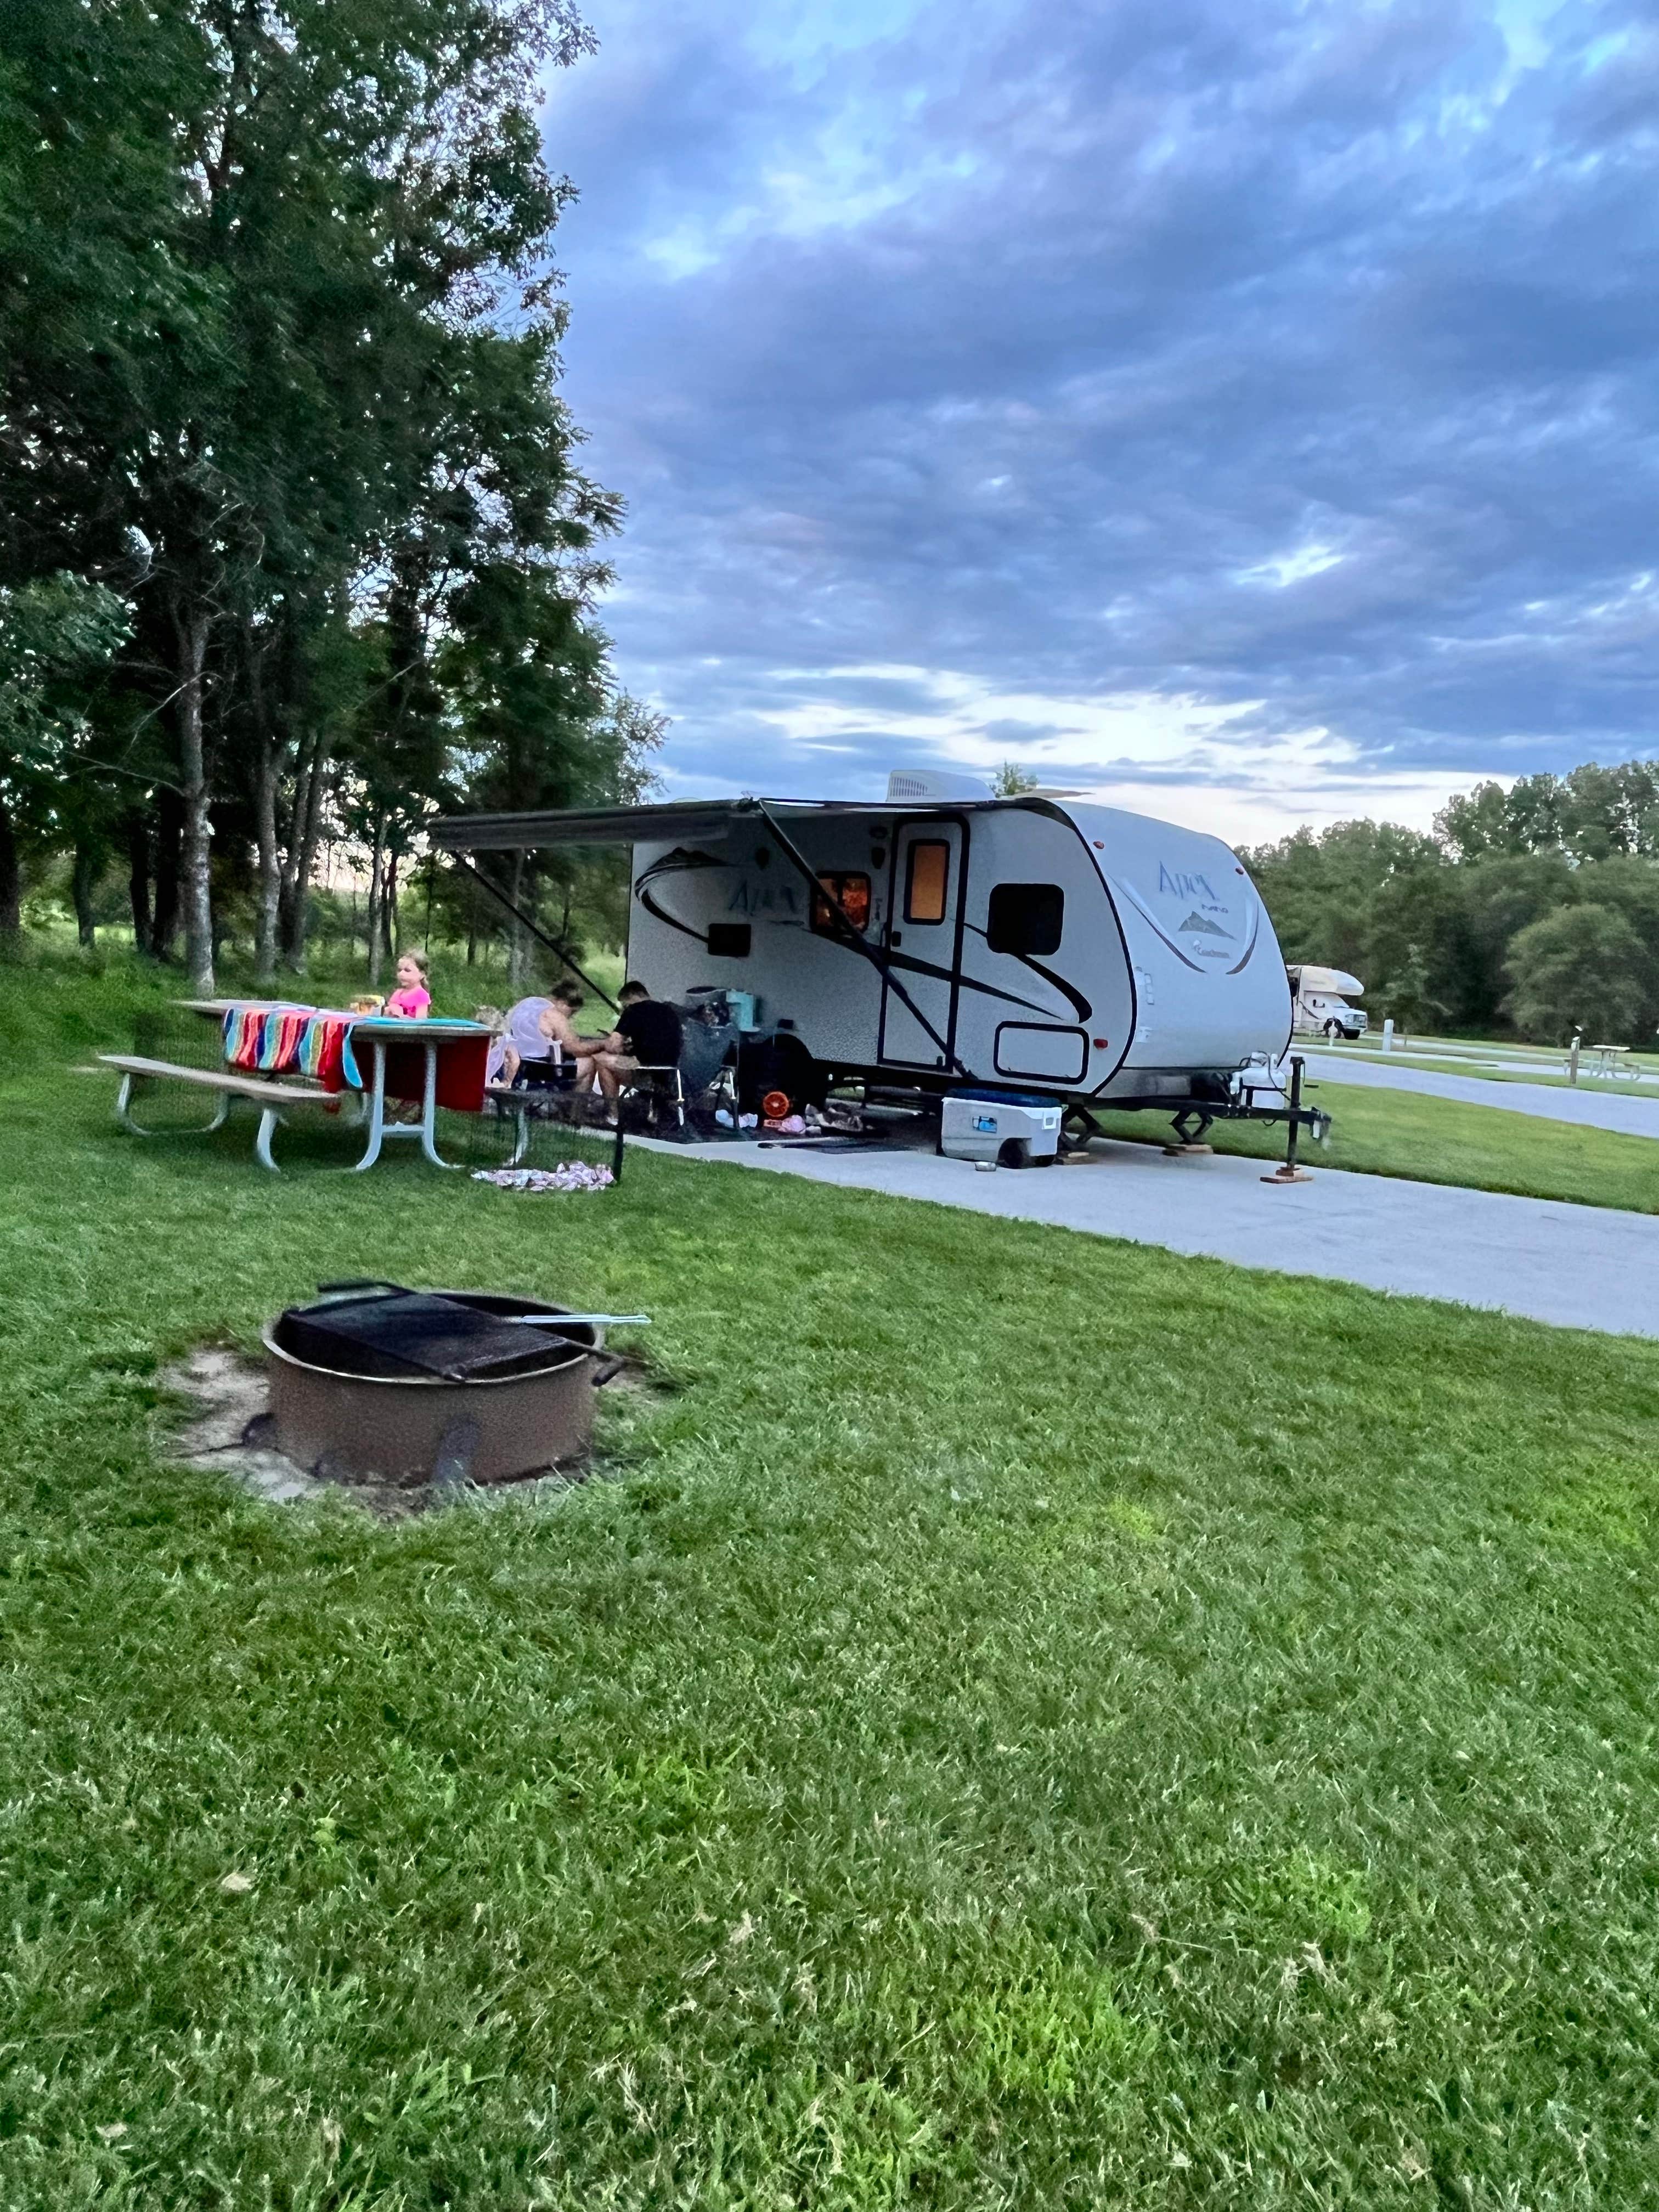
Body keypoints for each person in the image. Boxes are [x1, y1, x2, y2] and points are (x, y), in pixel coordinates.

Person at [592, 980, 685, 1111]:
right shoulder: (670, 1011)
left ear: (632, 996)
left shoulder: (634, 1010)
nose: (623, 1009)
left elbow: (613, 1045)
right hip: (671, 1073)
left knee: (601, 1060)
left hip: (644, 1071)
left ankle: (612, 1113)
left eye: (624, 1004)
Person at [385, 951, 431, 1019]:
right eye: (399, 970)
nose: (401, 974)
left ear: (422, 974)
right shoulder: (397, 994)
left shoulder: (421, 995)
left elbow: (421, 1023)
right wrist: (387, 1012)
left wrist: (401, 1016)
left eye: (407, 970)